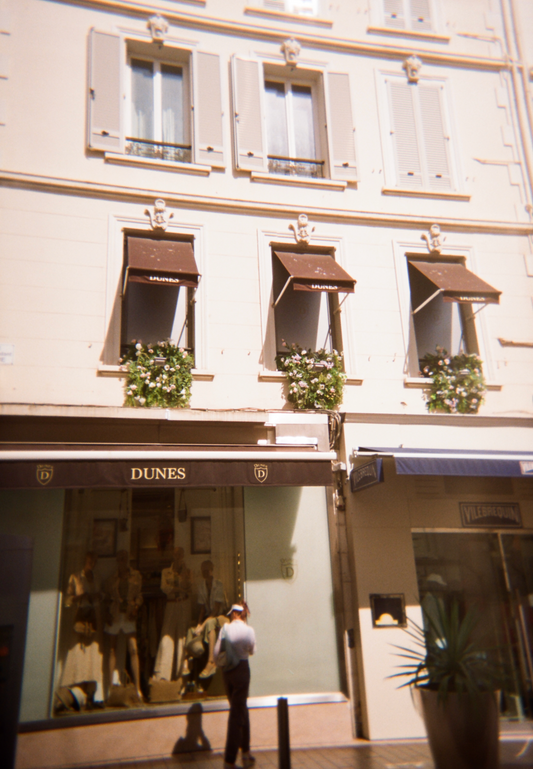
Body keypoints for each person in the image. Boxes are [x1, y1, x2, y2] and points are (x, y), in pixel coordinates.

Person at [59, 551, 104, 707]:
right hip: (80, 618)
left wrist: (98, 596)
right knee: (79, 654)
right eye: (90, 560)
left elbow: (103, 595)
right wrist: (80, 597)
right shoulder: (75, 577)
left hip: (94, 619)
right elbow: (67, 601)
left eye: (94, 560)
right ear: (84, 560)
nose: (92, 563)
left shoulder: (97, 577)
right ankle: (77, 695)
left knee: (93, 655)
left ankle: (91, 695)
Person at [214, 603, 256, 769]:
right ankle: (230, 760)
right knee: (238, 712)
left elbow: (217, 652)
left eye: (232, 613)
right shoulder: (249, 631)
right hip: (242, 670)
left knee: (239, 708)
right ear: (243, 614)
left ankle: (245, 752)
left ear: (235, 614)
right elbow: (252, 650)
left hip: (227, 671)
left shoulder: (225, 629)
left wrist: (220, 665)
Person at [103, 549, 143, 701]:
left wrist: (136, 607)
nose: (122, 561)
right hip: (115, 614)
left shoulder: (136, 576)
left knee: (133, 649)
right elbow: (107, 598)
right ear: (116, 560)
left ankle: (138, 689)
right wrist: (107, 613)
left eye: (124, 558)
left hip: (129, 615)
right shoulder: (111, 579)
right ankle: (108, 689)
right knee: (112, 650)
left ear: (127, 559)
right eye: (119, 558)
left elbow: (139, 596)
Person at [153, 546, 192, 682]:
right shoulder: (166, 572)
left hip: (183, 604)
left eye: (181, 554)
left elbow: (188, 588)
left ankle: (180, 675)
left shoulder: (187, 571)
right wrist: (179, 589)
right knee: (167, 637)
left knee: (182, 638)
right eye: (176, 554)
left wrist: (183, 575)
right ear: (173, 555)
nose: (178, 556)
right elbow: (165, 588)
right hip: (170, 605)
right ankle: (163, 675)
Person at [183, 559, 225, 679]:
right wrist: (198, 623)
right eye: (203, 571)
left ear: (212, 570)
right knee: (191, 628)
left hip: (218, 616)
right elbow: (202, 609)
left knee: (210, 623)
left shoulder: (219, 585)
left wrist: (203, 625)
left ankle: (211, 661)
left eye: (207, 570)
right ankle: (187, 660)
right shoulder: (201, 586)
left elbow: (216, 610)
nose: (205, 573)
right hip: (208, 615)